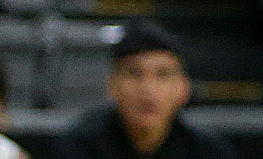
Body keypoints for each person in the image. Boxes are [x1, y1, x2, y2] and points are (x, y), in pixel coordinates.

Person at [54, 21, 233, 159]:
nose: (148, 90)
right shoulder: (80, 147)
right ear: (112, 85)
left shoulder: (206, 151)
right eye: (134, 74)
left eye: (163, 75)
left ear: (183, 88)